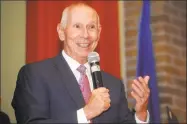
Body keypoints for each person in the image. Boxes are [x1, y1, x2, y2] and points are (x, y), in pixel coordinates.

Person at [12, 2, 150, 123]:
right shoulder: (35, 75)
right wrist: (86, 113)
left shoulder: (113, 83)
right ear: (61, 32)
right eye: (77, 26)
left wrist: (141, 113)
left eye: (91, 27)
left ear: (99, 32)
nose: (85, 35)